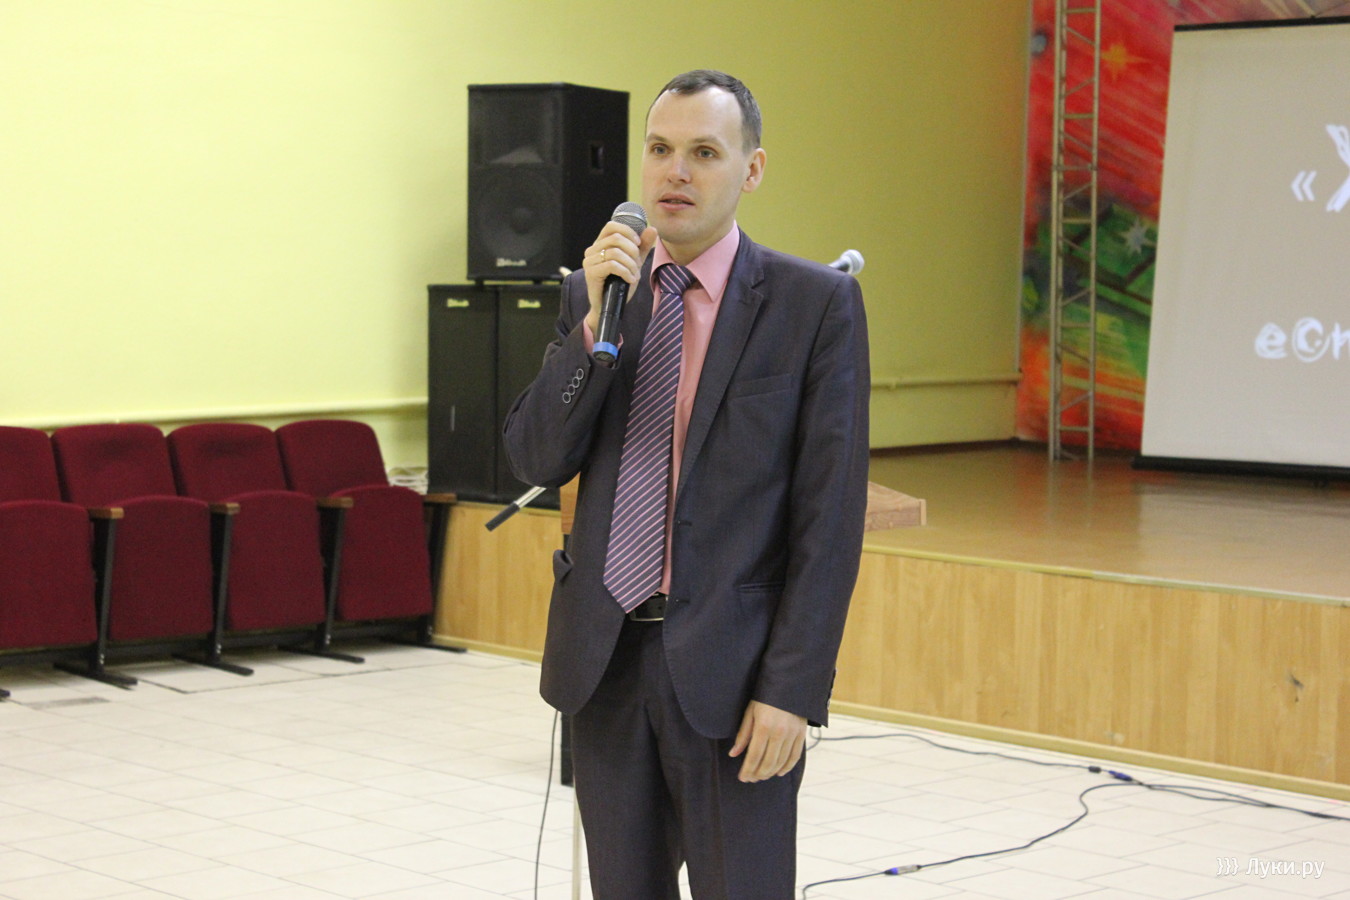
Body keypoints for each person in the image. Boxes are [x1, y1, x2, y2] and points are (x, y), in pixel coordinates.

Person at [503, 69, 870, 899]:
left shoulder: (813, 307)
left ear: (751, 169)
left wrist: (791, 691)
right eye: (661, 149)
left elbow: (829, 520)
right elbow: (534, 459)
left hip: (736, 679)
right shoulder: (597, 295)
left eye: (704, 152)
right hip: (606, 664)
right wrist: (592, 326)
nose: (676, 172)